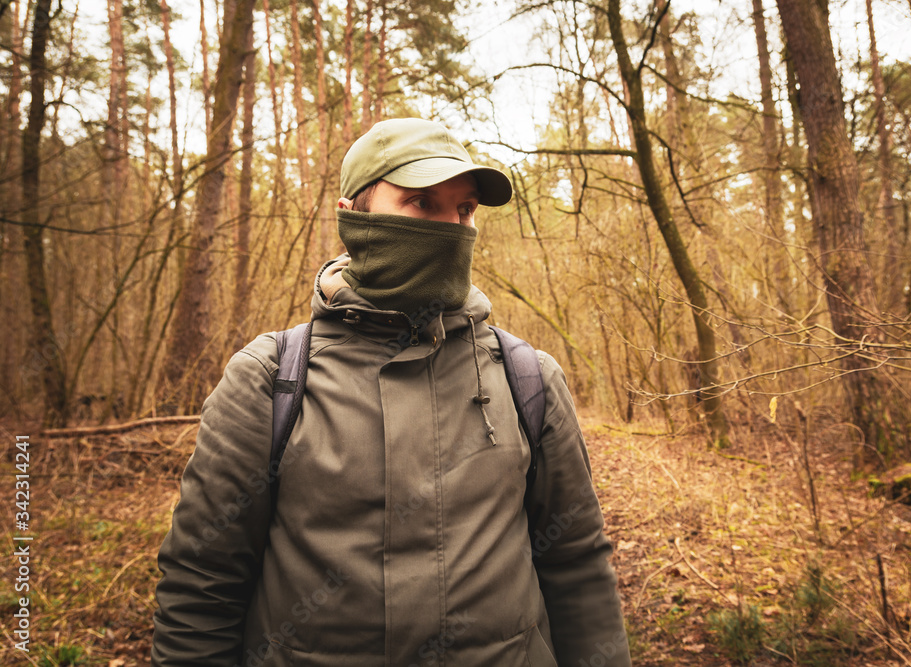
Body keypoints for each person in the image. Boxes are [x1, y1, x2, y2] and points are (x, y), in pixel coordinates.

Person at [152, 118, 631, 667]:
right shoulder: (270, 378)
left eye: (465, 209)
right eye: (422, 203)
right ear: (354, 216)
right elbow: (202, 585)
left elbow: (578, 568)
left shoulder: (526, 377)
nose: (452, 225)